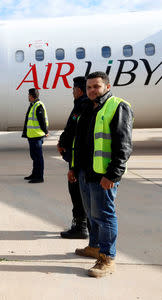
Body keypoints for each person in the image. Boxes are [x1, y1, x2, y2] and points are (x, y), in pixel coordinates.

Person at [69, 71, 133, 278]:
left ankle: (107, 258)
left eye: (96, 86)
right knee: (91, 213)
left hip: (104, 174)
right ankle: (95, 246)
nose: (92, 91)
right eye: (89, 87)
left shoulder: (118, 106)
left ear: (107, 86)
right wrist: (73, 167)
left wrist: (113, 175)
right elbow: (79, 142)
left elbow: (124, 146)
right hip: (86, 172)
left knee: (105, 215)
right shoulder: (87, 108)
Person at [57, 77, 90, 239]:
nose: (72, 92)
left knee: (77, 193)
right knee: (81, 194)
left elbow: (74, 131)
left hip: (78, 159)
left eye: (73, 89)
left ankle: (80, 227)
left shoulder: (83, 106)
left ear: (79, 90)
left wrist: (63, 144)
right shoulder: (84, 105)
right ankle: (85, 226)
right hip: (77, 157)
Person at [22, 88, 48, 183]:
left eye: (29, 95)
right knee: (34, 157)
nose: (28, 97)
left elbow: (42, 121)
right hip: (32, 136)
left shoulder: (38, 106)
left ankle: (39, 177)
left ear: (32, 96)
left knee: (38, 157)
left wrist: (45, 131)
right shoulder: (33, 105)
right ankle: (34, 174)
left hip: (37, 136)